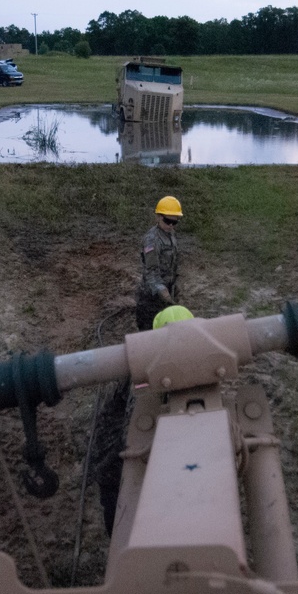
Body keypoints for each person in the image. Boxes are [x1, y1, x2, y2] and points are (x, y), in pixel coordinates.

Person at [92, 304, 195, 535]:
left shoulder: (172, 366)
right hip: (117, 463)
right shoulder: (144, 376)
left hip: (132, 459)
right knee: (122, 526)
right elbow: (135, 432)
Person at [135, 195, 182, 331]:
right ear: (159, 217)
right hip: (151, 297)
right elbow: (151, 273)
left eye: (175, 222)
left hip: (167, 291)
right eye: (168, 221)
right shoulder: (152, 240)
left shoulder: (170, 234)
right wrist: (163, 292)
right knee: (149, 333)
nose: (171, 225)